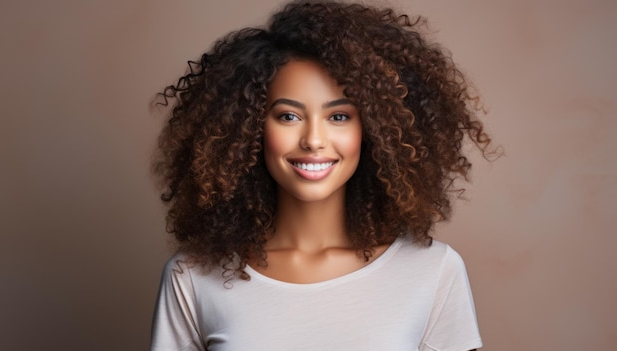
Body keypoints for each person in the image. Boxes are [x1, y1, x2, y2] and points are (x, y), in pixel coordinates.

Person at [150, 1, 493, 350]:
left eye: (339, 117)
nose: (313, 140)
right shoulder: (192, 278)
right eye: (288, 116)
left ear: (373, 131)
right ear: (250, 127)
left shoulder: (432, 272)